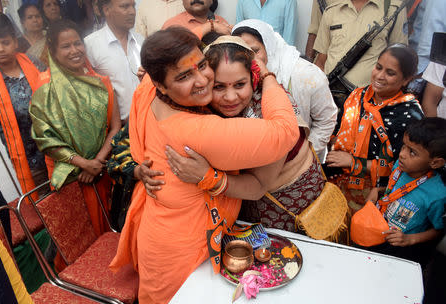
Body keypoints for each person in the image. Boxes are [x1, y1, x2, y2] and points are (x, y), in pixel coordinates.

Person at [109, 27, 299, 303]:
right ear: (161, 84)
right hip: (181, 250)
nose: (203, 81)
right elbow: (285, 132)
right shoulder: (200, 132)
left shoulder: (147, 91)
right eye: (185, 76)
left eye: (201, 66)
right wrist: (268, 75)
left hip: (161, 232)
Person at [146, 36, 328, 233]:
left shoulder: (266, 116)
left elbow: (257, 187)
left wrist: (206, 176)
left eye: (240, 85)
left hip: (288, 208)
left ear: (254, 79)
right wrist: (143, 170)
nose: (230, 98)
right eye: (219, 86)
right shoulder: (198, 103)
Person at [29, 20, 121, 236]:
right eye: (66, 46)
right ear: (52, 51)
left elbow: (116, 126)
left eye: (77, 44)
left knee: (111, 230)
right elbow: (45, 139)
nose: (74, 50)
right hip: (69, 176)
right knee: (78, 237)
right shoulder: (45, 88)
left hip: (102, 170)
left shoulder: (100, 82)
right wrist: (83, 164)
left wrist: (96, 162)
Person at [326, 44, 424, 210]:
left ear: (406, 79)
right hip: (335, 180)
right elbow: (336, 131)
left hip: (375, 193)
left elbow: (406, 166)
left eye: (390, 73)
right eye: (378, 67)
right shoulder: (358, 95)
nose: (380, 76)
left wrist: (354, 162)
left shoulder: (410, 115)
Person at [232, 19, 337, 160]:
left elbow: (326, 120)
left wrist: (304, 157)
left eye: (255, 51)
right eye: (241, 53)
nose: (250, 59)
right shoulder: (234, 79)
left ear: (269, 47)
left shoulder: (307, 75)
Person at [364, 117, 445, 266]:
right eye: (404, 146)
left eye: (412, 152)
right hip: (380, 231)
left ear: (435, 162)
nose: (402, 154)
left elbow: (439, 230)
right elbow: (396, 190)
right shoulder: (400, 166)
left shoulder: (438, 195)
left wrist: (409, 239)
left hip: (403, 248)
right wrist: (378, 191)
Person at [0, 12, 48, 196]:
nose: (0, 49)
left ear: (15, 42)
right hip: (28, 159)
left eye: (5, 42)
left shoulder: (32, 63)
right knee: (45, 206)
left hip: (55, 147)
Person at [313, 0, 408, 89]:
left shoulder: (393, 8)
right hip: (331, 95)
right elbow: (320, 62)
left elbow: (400, 59)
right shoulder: (332, 10)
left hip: (370, 99)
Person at [85, 0, 142, 123]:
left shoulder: (141, 41)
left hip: (148, 122)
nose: (132, 12)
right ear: (106, 10)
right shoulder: (90, 45)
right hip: (116, 129)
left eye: (133, 6)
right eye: (125, 6)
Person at [162, 0, 228, 31]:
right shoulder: (172, 25)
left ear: (211, 1)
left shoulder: (222, 21)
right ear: (182, 1)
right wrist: (210, 26)